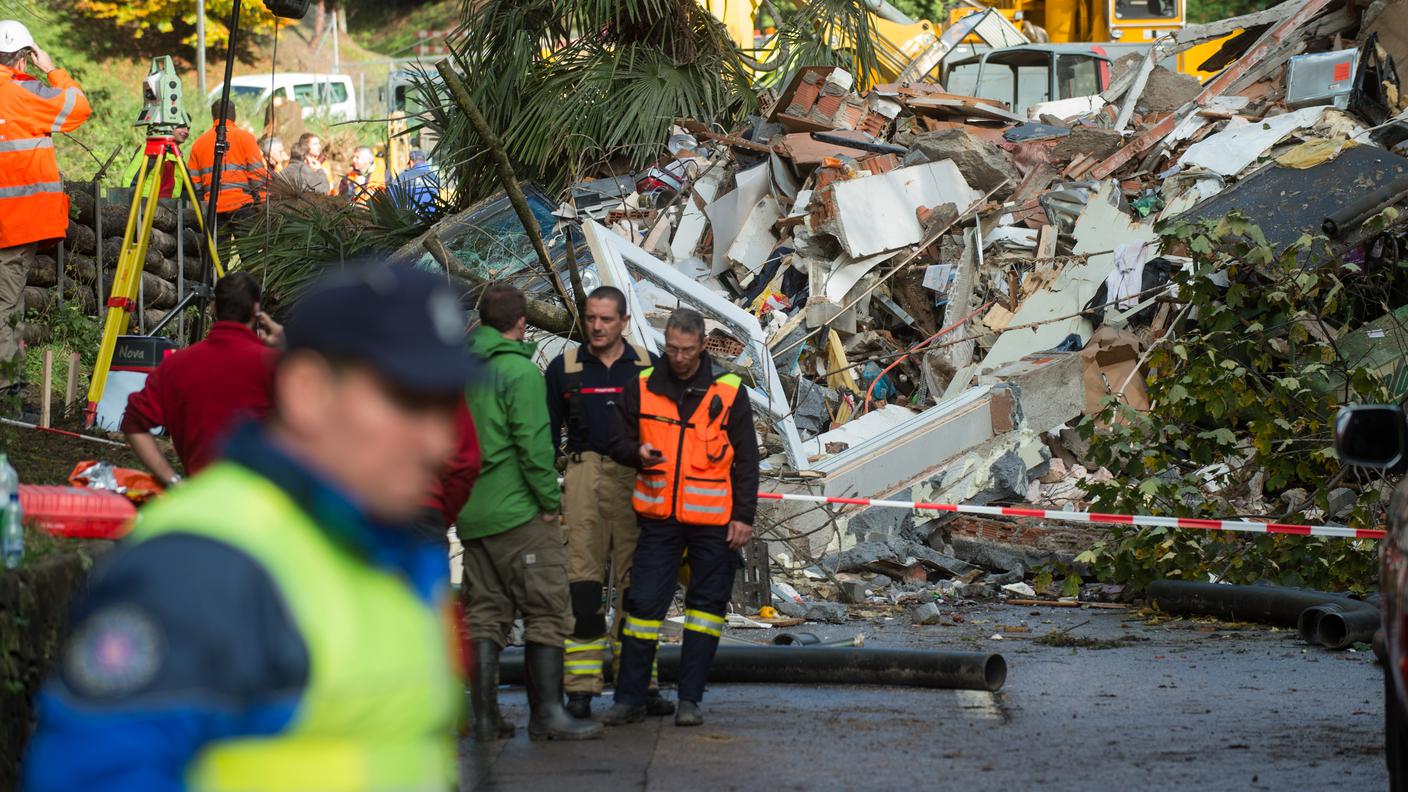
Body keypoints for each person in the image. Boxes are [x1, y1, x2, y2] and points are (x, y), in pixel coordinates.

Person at [24, 264, 480, 791]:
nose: (438, 442)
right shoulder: (202, 561)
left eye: (444, 407)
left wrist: (170, 476)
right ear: (307, 392)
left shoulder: (392, 555)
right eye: (406, 402)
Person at [600, 307, 758, 728]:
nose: (680, 357)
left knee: (705, 612)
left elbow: (747, 460)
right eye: (672, 348)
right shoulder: (643, 386)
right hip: (659, 520)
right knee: (642, 608)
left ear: (703, 345)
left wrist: (743, 516)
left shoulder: (727, 391)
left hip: (713, 523)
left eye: (687, 350)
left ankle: (690, 700)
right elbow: (616, 439)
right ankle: (630, 699)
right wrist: (636, 453)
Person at [458, 283, 602, 742]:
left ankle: (483, 718)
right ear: (521, 324)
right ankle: (548, 715)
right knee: (546, 609)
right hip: (517, 511)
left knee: (485, 614)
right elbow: (535, 447)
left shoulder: (463, 370)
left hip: (474, 513)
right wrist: (549, 503)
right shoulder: (519, 374)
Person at [544, 286, 674, 719]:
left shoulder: (647, 367)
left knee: (638, 590)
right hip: (583, 478)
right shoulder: (563, 368)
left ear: (623, 322)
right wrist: (548, 494)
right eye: (591, 318)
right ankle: (580, 690)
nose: (596, 327)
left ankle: (641, 685)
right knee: (582, 587)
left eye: (605, 319)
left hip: (637, 480)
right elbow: (547, 437)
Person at [119, 271, 280, 486]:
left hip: (201, 501)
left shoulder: (177, 365)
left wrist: (173, 481)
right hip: (266, 505)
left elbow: (133, 423)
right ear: (256, 310)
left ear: (213, 308)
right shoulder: (276, 365)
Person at [0, 20, 90, 399]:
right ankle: (6, 387)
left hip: (11, 222)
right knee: (6, 301)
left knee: (10, 299)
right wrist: (52, 68)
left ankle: (11, 379)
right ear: (23, 58)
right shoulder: (23, 92)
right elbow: (79, 109)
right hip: (15, 222)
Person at [187, 100, 267, 225]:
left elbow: (194, 184)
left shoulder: (198, 143)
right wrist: (263, 202)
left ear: (213, 116)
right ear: (234, 115)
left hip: (213, 208)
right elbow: (257, 174)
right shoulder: (245, 137)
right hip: (243, 205)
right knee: (244, 244)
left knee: (219, 245)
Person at [120, 123, 190, 200]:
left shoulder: (178, 157)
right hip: (145, 207)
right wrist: (128, 206)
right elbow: (130, 181)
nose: (186, 131)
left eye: (188, 128)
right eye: (181, 127)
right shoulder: (149, 149)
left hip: (169, 207)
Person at [391, 149, 439, 214]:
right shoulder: (435, 177)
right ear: (425, 161)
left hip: (411, 219)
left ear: (411, 162)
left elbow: (392, 196)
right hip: (432, 218)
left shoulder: (403, 177)